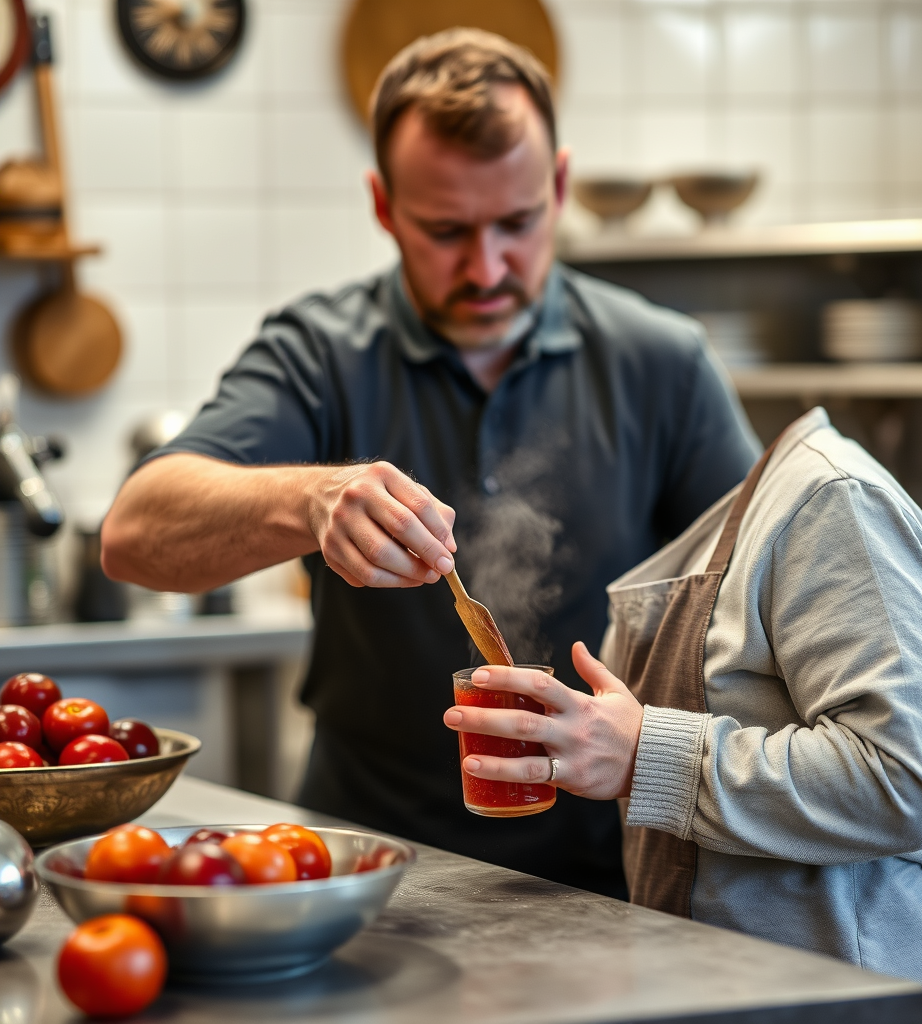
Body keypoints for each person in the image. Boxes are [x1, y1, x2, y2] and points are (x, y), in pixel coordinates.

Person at [101, 29, 759, 899]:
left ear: (558, 186)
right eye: (445, 230)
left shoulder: (662, 363)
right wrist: (312, 498)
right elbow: (135, 534)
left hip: (620, 877)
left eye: (518, 223)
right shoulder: (318, 353)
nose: (486, 268)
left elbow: (761, 596)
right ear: (383, 204)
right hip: (364, 872)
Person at [442, 407, 922, 1024]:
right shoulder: (755, 514)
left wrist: (642, 754)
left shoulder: (837, 504)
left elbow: (905, 779)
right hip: (752, 991)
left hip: (856, 993)